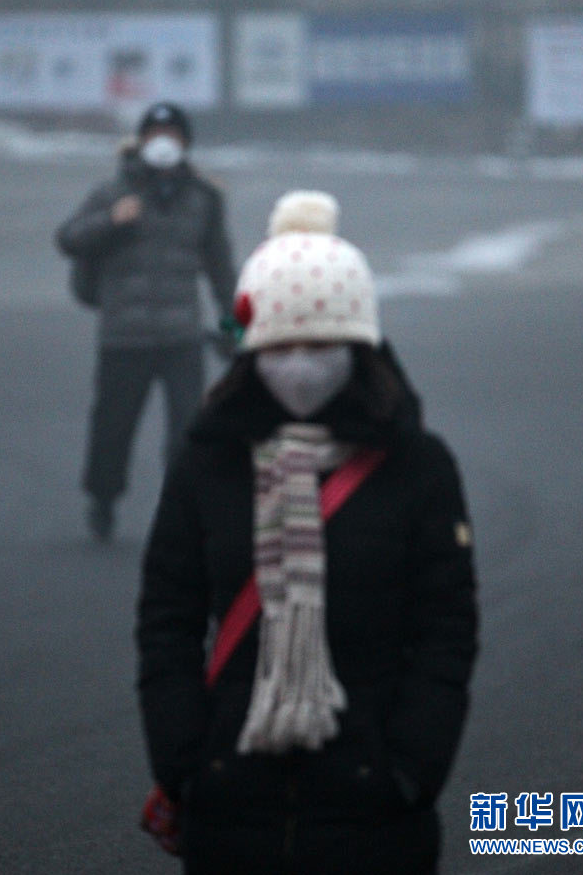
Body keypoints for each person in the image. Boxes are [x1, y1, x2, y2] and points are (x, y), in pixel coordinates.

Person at [136, 191, 478, 874]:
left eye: (320, 344)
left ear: (359, 346)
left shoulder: (416, 465)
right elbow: (166, 622)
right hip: (230, 805)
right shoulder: (209, 462)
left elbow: (445, 631)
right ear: (251, 350)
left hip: (375, 811)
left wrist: (410, 770)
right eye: (281, 344)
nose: (299, 363)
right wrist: (185, 764)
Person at [55, 101, 236, 540]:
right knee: (112, 430)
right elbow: (68, 238)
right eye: (155, 136)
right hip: (124, 336)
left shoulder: (204, 199)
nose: (164, 145)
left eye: (172, 136)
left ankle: (180, 512)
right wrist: (110, 221)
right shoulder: (112, 193)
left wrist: (232, 324)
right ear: (140, 143)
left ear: (186, 143)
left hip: (182, 336)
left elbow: (220, 267)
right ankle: (103, 497)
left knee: (186, 434)